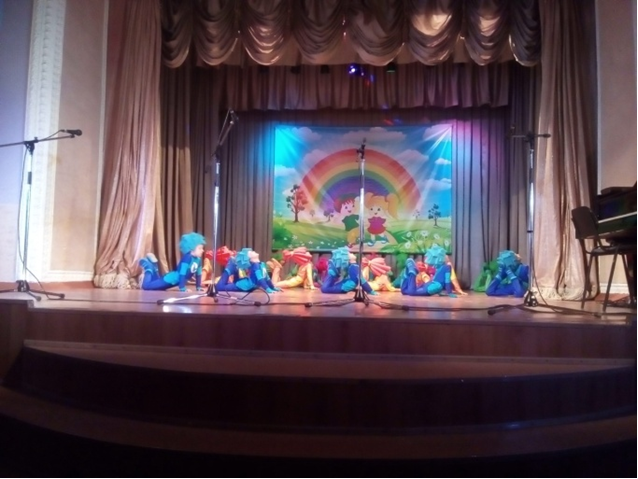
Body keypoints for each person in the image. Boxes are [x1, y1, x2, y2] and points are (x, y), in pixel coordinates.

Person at [139, 232, 206, 291]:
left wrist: (198, 287)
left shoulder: (198, 260)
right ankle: (148, 268)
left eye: (202, 248)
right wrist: (182, 288)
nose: (202, 250)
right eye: (199, 248)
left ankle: (154, 267)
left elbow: (198, 274)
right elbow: (182, 273)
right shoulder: (187, 258)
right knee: (146, 286)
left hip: (174, 282)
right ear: (191, 249)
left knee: (156, 284)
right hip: (170, 279)